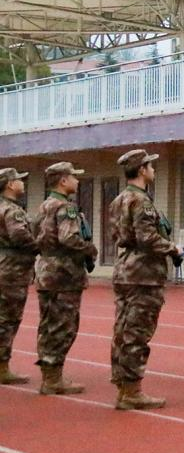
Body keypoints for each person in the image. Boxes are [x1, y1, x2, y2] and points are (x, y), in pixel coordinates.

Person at [109, 149, 183, 411]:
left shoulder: (119, 200)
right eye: (150, 166)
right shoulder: (141, 201)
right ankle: (131, 391)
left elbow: (118, 235)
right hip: (143, 274)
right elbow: (147, 238)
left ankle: (123, 386)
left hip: (125, 269)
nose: (153, 170)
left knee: (123, 330)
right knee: (137, 332)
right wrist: (173, 248)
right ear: (141, 170)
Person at [33, 162, 96, 395]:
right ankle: (53, 378)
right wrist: (89, 249)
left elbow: (35, 235)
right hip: (64, 275)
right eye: (73, 177)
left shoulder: (44, 206)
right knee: (63, 325)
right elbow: (68, 238)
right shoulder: (65, 207)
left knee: (48, 324)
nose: (77, 181)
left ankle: (49, 374)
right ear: (63, 181)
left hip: (46, 271)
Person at [0, 168, 36, 385]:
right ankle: (2, 367)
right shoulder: (12, 210)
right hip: (12, 270)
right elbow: (19, 235)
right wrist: (38, 245)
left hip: (5, 266)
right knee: (8, 318)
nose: (23, 183)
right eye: (19, 180)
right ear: (10, 185)